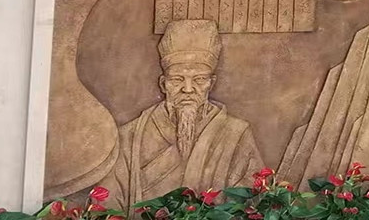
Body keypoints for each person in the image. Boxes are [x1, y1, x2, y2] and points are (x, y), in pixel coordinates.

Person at [102, 20, 263, 210]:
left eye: (199, 79)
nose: (187, 89)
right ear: (163, 84)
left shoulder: (235, 133)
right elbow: (107, 206)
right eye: (177, 79)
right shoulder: (131, 136)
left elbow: (252, 202)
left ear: (211, 84)